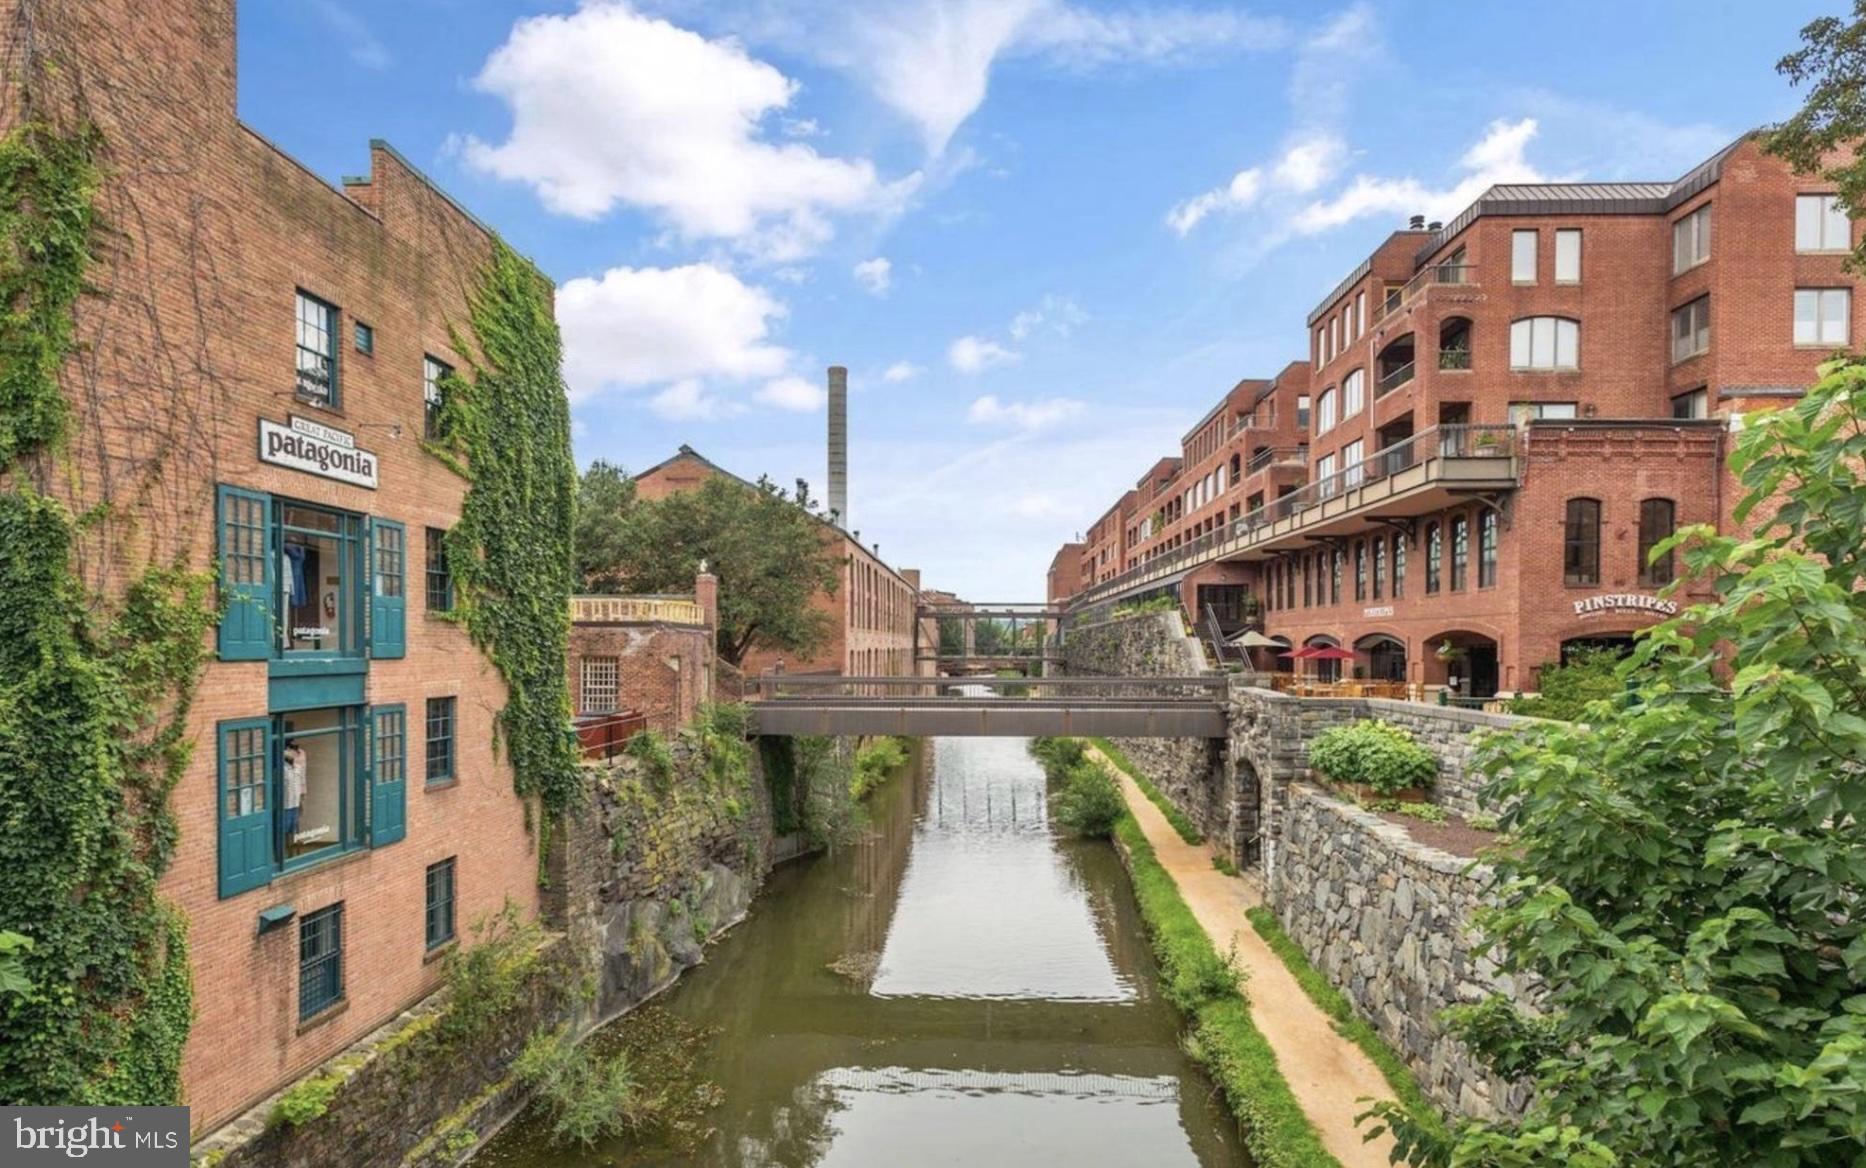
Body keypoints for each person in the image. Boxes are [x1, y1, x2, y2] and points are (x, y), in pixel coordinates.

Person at [281, 740, 306, 847]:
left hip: (296, 800)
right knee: (285, 825)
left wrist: (301, 795)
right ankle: (284, 845)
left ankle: (293, 843)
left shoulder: (298, 767)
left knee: (294, 823)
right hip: (285, 803)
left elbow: (301, 780)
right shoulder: (282, 769)